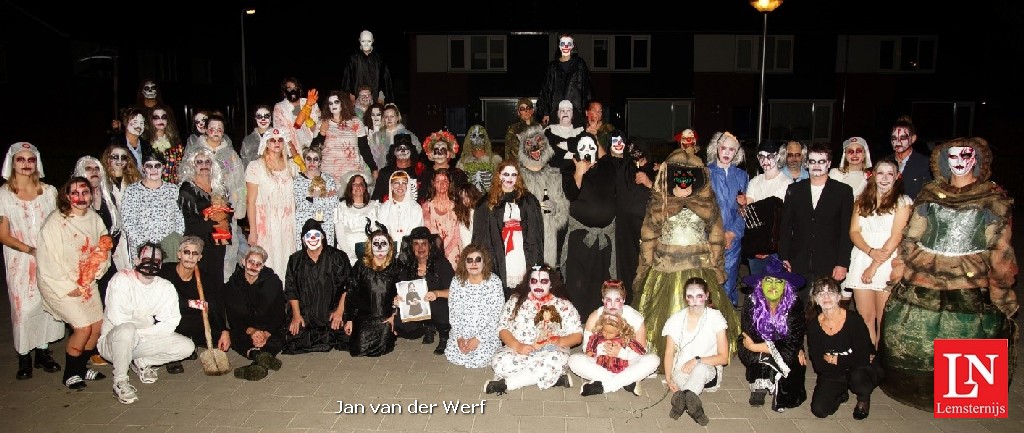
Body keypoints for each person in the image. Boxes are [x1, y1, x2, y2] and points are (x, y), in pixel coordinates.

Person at [880, 137, 1017, 411]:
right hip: (925, 274)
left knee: (964, 334)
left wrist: (1001, 288)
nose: (959, 162)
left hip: (969, 279)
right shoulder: (930, 193)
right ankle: (914, 391)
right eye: (952, 157)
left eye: (966, 156)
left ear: (977, 159)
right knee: (913, 334)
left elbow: (999, 248)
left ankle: (964, 399)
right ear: (943, 160)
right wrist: (900, 270)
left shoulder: (991, 198)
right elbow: (912, 236)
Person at [632, 146, 739, 359]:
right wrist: (645, 266)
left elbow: (716, 237)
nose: (683, 180)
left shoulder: (707, 203)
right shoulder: (659, 202)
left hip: (699, 267)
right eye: (678, 175)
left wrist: (717, 266)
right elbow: (648, 237)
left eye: (689, 176)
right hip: (664, 267)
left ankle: (700, 355)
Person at [0, 143, 68, 379]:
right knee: (23, 308)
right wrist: (29, 249)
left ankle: (43, 352)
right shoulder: (4, 194)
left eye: (30, 160)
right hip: (20, 259)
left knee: (46, 304)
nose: (26, 164)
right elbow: (3, 234)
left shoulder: (48, 192)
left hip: (48, 256)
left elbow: (59, 223)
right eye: (21, 160)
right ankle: (24, 356)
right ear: (12, 163)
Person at [37, 177, 112, 388]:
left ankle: (81, 368)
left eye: (84, 193)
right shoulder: (55, 221)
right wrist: (67, 286)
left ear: (91, 195)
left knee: (96, 327)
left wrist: (96, 270)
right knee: (83, 328)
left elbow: (103, 246)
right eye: (75, 193)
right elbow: (46, 260)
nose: (80, 198)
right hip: (59, 283)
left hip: (87, 281)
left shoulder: (94, 218)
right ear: (67, 196)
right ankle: (70, 373)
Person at [98, 243, 196, 404]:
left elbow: (170, 322)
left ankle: (142, 362)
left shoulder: (164, 287)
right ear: (136, 261)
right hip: (114, 343)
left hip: (142, 339)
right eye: (145, 259)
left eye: (156, 261)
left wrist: (143, 333)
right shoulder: (122, 279)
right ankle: (120, 381)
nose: (150, 263)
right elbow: (117, 318)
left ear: (161, 264)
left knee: (187, 347)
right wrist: (146, 325)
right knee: (126, 330)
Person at [484, 264, 582, 394]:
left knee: (554, 360)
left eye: (544, 281)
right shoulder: (515, 301)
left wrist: (557, 341)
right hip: (519, 350)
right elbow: (502, 328)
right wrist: (517, 345)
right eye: (534, 281)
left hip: (551, 351)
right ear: (529, 283)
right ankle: (552, 377)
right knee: (499, 363)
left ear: (551, 284)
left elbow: (577, 335)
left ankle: (508, 384)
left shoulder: (563, 305)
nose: (538, 286)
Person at [844, 157, 911, 346]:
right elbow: (854, 231)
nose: (884, 178)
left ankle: (882, 363)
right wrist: (869, 251)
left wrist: (874, 266)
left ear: (897, 177)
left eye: (890, 174)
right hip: (862, 257)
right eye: (880, 173)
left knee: (884, 319)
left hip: (887, 262)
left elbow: (896, 236)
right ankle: (869, 360)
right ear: (873, 175)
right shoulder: (861, 200)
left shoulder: (903, 202)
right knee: (865, 316)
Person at [778, 142, 853, 304]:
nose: (817, 166)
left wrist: (842, 263)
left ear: (829, 163)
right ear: (807, 164)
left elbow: (846, 231)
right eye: (812, 161)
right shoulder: (794, 190)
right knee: (798, 309)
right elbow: (785, 226)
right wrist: (784, 256)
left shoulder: (843, 192)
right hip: (799, 261)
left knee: (826, 309)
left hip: (829, 262)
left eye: (821, 161)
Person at [737, 258, 807, 412]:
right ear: (761, 284)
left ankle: (776, 381)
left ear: (785, 286)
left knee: (792, 372)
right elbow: (748, 335)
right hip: (758, 342)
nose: (773, 286)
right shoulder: (751, 302)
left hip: (779, 345)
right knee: (758, 355)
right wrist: (757, 347)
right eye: (768, 281)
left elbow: (792, 340)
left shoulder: (795, 305)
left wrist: (798, 347)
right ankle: (759, 382)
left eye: (779, 282)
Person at [561, 133, 618, 319]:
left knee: (600, 281)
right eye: (583, 147)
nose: (587, 151)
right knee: (578, 282)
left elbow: (609, 157)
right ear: (576, 151)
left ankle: (598, 321)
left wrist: (593, 135)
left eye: (591, 147)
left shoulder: (607, 168)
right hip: (580, 235)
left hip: (603, 237)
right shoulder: (569, 169)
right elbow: (571, 193)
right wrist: (579, 172)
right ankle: (576, 322)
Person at [568, 280, 659, 396]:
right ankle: (627, 381)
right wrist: (602, 350)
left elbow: (641, 351)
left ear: (624, 300)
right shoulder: (595, 316)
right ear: (603, 300)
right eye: (608, 300)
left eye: (617, 300)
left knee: (653, 360)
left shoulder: (635, 317)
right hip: (601, 363)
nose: (612, 305)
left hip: (627, 362)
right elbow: (587, 349)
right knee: (574, 360)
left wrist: (621, 353)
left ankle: (603, 386)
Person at [806, 277, 878, 420]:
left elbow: (863, 357)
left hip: (858, 370)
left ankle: (863, 398)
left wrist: (835, 359)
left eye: (831, 292)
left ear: (839, 296)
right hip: (833, 373)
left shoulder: (854, 320)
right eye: (820, 293)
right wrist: (843, 363)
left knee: (859, 377)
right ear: (815, 298)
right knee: (819, 410)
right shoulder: (813, 326)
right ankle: (841, 392)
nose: (826, 297)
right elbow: (819, 364)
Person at [157, 236, 229, 374]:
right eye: (186, 252)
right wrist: (190, 303)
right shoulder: (165, 272)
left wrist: (224, 330)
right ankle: (172, 356)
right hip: (171, 318)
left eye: (195, 253)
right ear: (179, 254)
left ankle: (191, 343)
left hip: (193, 320)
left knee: (218, 337)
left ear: (199, 257)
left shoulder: (205, 278)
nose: (190, 257)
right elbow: (161, 302)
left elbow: (214, 305)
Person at [663, 278, 730, 426]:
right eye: (690, 296)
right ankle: (693, 406)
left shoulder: (715, 318)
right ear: (685, 298)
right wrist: (668, 378)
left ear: (706, 295)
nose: (694, 301)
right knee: (684, 384)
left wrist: (697, 359)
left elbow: (724, 358)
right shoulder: (676, 319)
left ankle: (681, 401)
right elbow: (669, 353)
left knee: (699, 369)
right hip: (681, 371)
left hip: (706, 370)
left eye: (699, 296)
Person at [472, 161, 543, 298]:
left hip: (520, 250)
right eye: (506, 174)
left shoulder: (528, 200)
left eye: (513, 174)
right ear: (499, 176)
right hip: (498, 250)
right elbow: (481, 235)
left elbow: (535, 233)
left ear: (518, 177)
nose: (510, 178)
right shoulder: (486, 202)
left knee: (521, 289)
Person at [283, 219, 352, 354]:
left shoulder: (337, 257)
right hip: (306, 314)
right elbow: (291, 289)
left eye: (316, 235)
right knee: (294, 337)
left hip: (331, 312)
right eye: (308, 236)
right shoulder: (295, 260)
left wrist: (339, 312)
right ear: (303, 240)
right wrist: (296, 315)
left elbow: (348, 286)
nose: (313, 239)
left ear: (323, 236)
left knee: (347, 336)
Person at [433, 244, 504, 367]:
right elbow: (454, 311)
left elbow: (496, 315)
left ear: (484, 262)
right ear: (464, 263)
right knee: (455, 355)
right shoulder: (457, 281)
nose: (474, 264)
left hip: (486, 333)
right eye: (469, 260)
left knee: (480, 359)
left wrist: (478, 339)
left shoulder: (494, 282)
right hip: (463, 331)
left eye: (478, 260)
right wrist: (459, 337)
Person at [223, 246, 286, 381]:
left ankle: (255, 363)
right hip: (246, 329)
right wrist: (252, 331)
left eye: (258, 264)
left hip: (268, 328)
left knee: (279, 337)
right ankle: (259, 357)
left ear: (263, 266)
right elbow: (233, 318)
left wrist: (265, 333)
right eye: (251, 262)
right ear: (243, 261)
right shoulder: (232, 286)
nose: (254, 266)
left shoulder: (273, 283)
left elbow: (279, 313)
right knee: (234, 336)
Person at [245, 128, 299, 277]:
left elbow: (305, 168)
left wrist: (290, 144)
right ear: (266, 143)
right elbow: (250, 201)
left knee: (287, 258)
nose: (276, 143)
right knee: (268, 260)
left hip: (287, 223)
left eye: (280, 140)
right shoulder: (255, 166)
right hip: (266, 224)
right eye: (272, 140)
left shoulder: (290, 166)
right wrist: (253, 231)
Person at [344, 221, 402, 357]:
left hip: (386, 318)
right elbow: (352, 293)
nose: (380, 248)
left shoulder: (397, 266)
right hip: (364, 318)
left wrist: (395, 316)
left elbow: (404, 292)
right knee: (358, 350)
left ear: (390, 246)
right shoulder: (361, 267)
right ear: (370, 246)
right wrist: (350, 320)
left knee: (383, 349)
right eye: (376, 244)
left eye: (384, 244)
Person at [608, 131, 653, 300]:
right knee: (626, 263)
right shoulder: (622, 167)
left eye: (640, 152)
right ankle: (627, 297)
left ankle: (646, 298)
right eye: (633, 151)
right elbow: (609, 158)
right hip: (624, 227)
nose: (637, 156)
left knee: (646, 263)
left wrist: (650, 183)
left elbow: (667, 196)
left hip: (645, 226)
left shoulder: (655, 170)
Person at [705, 131, 748, 307]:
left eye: (732, 149)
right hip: (710, 238)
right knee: (710, 282)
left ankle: (728, 326)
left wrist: (732, 233)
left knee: (729, 283)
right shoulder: (705, 173)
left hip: (733, 239)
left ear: (736, 153)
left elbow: (744, 209)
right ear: (717, 148)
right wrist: (717, 234)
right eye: (724, 148)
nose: (727, 153)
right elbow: (702, 208)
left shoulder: (742, 176)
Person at [516, 125, 569, 266]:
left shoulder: (555, 175)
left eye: (538, 140)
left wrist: (556, 208)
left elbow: (563, 212)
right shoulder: (515, 176)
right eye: (528, 143)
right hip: (520, 240)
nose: (534, 147)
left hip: (547, 241)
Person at [396, 227, 454, 353]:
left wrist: (436, 293)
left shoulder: (441, 263)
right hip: (418, 306)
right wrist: (397, 299)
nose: (420, 248)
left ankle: (444, 336)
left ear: (430, 245)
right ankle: (426, 327)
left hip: (440, 305)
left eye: (424, 243)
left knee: (438, 304)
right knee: (400, 322)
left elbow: (455, 291)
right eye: (416, 244)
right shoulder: (407, 267)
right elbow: (401, 291)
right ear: (411, 247)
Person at [739, 141, 791, 277]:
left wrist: (769, 249)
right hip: (756, 245)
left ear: (778, 157)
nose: (765, 161)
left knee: (774, 289)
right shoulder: (754, 181)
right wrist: (742, 206)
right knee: (757, 288)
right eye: (761, 156)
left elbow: (783, 220)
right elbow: (748, 211)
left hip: (775, 247)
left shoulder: (787, 183)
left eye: (770, 156)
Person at [178, 149, 229, 287]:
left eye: (207, 162)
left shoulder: (219, 186)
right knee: (198, 282)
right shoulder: (187, 188)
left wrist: (224, 217)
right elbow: (190, 221)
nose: (204, 165)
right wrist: (215, 221)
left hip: (218, 242)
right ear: (192, 165)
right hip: (197, 242)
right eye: (199, 162)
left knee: (216, 281)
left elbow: (228, 212)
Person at [121, 153, 185, 264]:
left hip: (170, 245)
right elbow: (128, 222)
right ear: (143, 168)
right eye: (149, 166)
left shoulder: (174, 190)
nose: (154, 169)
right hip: (142, 246)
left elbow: (180, 219)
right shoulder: (132, 191)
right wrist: (144, 244)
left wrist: (175, 239)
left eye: (157, 166)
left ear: (163, 168)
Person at [313, 90, 375, 184]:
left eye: (336, 102)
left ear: (343, 103)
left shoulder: (355, 122)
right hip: (329, 174)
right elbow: (314, 149)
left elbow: (364, 148)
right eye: (330, 103)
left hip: (351, 174)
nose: (333, 105)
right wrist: (322, 133)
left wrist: (373, 168)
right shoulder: (322, 122)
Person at [536, 33, 591, 127]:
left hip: (575, 113)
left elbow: (587, 89)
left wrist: (587, 112)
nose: (565, 46)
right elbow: (546, 90)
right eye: (562, 44)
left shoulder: (580, 65)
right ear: (559, 46)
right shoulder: (552, 67)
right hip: (556, 113)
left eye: (568, 44)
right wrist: (546, 112)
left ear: (573, 45)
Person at [101, 144, 142, 271]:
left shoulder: (135, 181)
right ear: (108, 159)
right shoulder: (103, 182)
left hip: (132, 232)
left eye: (123, 157)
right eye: (115, 157)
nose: (119, 161)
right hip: (112, 233)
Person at [292, 148, 339, 249]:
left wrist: (311, 198)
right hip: (304, 224)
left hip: (325, 224)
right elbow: (301, 205)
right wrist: (324, 197)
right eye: (309, 159)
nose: (312, 162)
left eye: (315, 159)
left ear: (320, 162)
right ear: (304, 160)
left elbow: (334, 203)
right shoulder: (298, 181)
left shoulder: (328, 179)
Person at [421, 169, 465, 268]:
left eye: (445, 181)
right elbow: (427, 232)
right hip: (434, 252)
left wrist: (446, 252)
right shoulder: (427, 206)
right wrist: (437, 253)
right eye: (438, 181)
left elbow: (457, 235)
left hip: (454, 252)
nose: (442, 184)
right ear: (433, 184)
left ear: (449, 184)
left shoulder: (457, 205)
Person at [374, 170, 424, 252]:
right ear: (391, 186)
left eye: (404, 183)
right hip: (388, 252)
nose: (400, 186)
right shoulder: (385, 207)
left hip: (409, 252)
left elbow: (416, 233)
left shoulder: (415, 208)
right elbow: (381, 232)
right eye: (396, 183)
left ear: (408, 186)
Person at [334, 173, 378, 265]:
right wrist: (351, 255)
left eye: (361, 184)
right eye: (354, 184)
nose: (358, 187)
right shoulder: (340, 207)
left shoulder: (375, 206)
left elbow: (376, 233)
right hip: (347, 254)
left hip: (369, 253)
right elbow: (340, 236)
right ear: (350, 187)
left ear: (365, 187)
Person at [341, 30, 394, 104]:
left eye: (369, 41)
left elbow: (384, 80)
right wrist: (351, 96)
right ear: (359, 40)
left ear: (373, 41)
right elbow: (347, 80)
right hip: (357, 99)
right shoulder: (353, 59)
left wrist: (381, 96)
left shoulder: (379, 59)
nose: (366, 44)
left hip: (375, 99)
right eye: (363, 41)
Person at [885, 115, 932, 200]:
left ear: (913, 139)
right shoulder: (884, 162)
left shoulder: (925, 164)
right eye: (894, 138)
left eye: (903, 138)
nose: (898, 142)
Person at [272, 77, 321, 152]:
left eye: (295, 88)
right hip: (292, 151)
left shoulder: (310, 102)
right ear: (284, 92)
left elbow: (318, 129)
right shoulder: (280, 108)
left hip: (313, 149)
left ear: (300, 90)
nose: (293, 91)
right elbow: (282, 133)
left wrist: (309, 120)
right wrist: (294, 154)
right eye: (289, 88)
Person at [145, 104, 185, 184]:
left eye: (164, 117)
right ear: (151, 120)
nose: (161, 120)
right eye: (156, 118)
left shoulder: (176, 144)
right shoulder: (145, 143)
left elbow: (180, 170)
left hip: (172, 188)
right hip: (149, 188)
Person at [457, 125, 501, 193]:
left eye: (481, 136)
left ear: (485, 139)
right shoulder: (462, 162)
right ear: (469, 139)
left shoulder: (495, 159)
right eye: (474, 135)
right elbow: (459, 184)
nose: (477, 138)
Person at [543, 100, 583, 172]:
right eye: (562, 111)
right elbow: (550, 156)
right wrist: (573, 151)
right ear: (558, 114)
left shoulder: (580, 131)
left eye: (568, 110)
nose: (565, 113)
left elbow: (583, 151)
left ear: (573, 114)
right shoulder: (549, 131)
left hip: (576, 171)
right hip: (554, 172)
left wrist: (566, 145)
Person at [240, 105, 273, 169]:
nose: (263, 119)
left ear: (271, 118)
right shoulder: (248, 141)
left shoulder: (279, 137)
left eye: (266, 116)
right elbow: (245, 166)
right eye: (259, 116)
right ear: (255, 118)